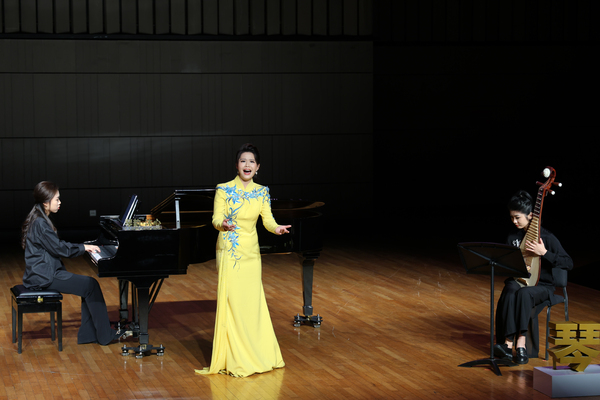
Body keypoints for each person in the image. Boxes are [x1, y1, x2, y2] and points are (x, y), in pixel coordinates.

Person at [195, 143, 290, 377]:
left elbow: (268, 220)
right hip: (230, 251)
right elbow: (216, 218)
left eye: (251, 162)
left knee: (252, 303)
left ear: (258, 167)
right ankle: (235, 357)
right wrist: (223, 224)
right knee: (234, 303)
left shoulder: (262, 191)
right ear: (236, 165)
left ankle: (258, 354)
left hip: (251, 253)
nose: (247, 165)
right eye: (243, 161)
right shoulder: (224, 189)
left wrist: (277, 228)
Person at [21, 181, 128, 345]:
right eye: (57, 199)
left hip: (41, 273)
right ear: (46, 202)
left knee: (88, 286)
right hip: (44, 276)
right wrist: (83, 247)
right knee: (90, 285)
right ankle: (104, 335)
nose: (60, 202)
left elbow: (57, 246)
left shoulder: (38, 217)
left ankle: (89, 334)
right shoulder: (40, 223)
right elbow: (60, 249)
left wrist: (83, 247)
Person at [493, 190, 573, 364]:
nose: (514, 221)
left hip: (542, 286)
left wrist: (544, 253)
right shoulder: (513, 236)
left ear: (530, 216)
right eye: (512, 217)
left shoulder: (547, 237)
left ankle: (521, 344)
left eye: (517, 218)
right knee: (510, 289)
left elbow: (568, 263)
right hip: (520, 280)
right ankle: (507, 344)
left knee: (524, 294)